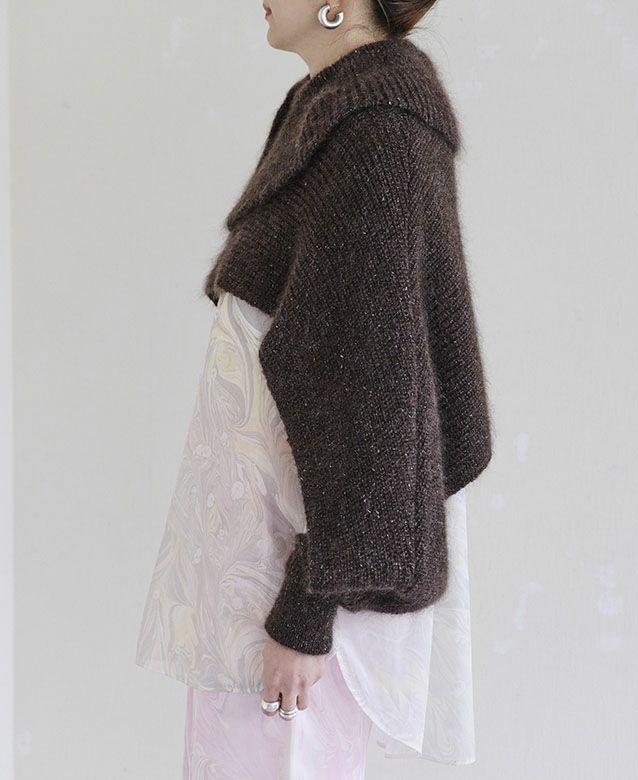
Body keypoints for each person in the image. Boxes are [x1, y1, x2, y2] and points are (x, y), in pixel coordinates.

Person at [135, 2, 494, 776]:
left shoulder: (374, 133)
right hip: (261, 575)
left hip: (296, 593)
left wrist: (306, 611)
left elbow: (378, 397)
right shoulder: (332, 109)